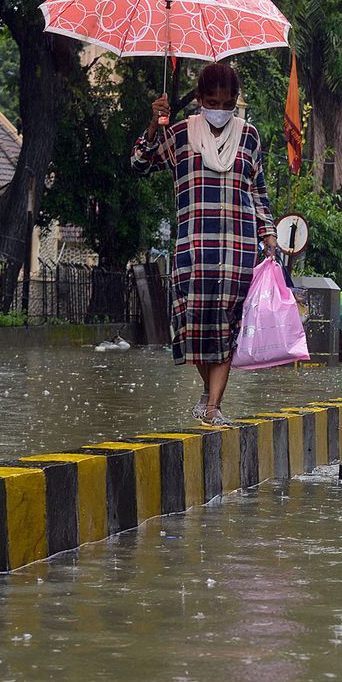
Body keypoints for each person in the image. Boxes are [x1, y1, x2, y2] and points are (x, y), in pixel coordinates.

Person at [132, 64, 279, 425]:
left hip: (238, 247)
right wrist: (155, 123)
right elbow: (139, 163)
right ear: (199, 100)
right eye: (213, 101)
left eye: (227, 103)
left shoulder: (250, 137)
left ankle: (213, 408)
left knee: (228, 327)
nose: (220, 109)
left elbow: (257, 191)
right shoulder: (179, 134)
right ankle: (207, 394)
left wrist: (269, 233)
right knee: (194, 326)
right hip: (194, 249)